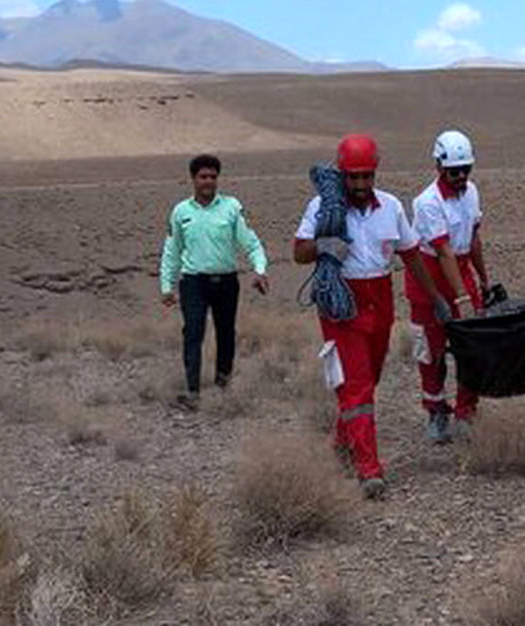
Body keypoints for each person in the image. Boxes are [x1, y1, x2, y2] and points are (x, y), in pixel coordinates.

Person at [294, 134, 448, 500]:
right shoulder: (322, 207)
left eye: (367, 176)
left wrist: (436, 297)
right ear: (342, 174)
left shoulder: (391, 207)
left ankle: (342, 442)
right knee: (358, 386)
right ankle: (369, 468)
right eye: (353, 177)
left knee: (367, 379)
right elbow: (299, 252)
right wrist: (322, 245)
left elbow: (411, 254)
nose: (360, 185)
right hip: (342, 304)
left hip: (380, 300)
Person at [160, 154, 269, 411]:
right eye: (203, 177)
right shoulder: (181, 212)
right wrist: (167, 285)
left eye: (212, 176)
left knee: (226, 333)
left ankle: (223, 383)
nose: (208, 181)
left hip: (226, 282)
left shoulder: (231, 207)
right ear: (193, 179)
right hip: (193, 282)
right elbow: (172, 250)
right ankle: (192, 392)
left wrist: (260, 269)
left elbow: (250, 242)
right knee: (193, 333)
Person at [405, 129, 493, 443]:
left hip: (462, 269)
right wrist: (460, 298)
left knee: (472, 348)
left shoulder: (472, 193)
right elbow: (442, 251)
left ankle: (467, 410)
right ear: (439, 167)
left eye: (466, 170)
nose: (461, 177)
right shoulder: (426, 203)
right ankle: (436, 410)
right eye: (455, 171)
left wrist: (483, 281)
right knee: (431, 352)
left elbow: (473, 238)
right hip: (429, 278)